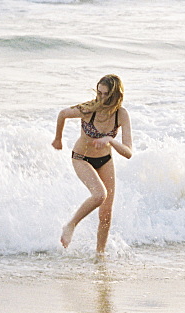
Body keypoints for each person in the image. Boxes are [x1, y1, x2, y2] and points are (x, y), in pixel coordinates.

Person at [52, 74, 133, 253]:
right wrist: (58, 139)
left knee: (106, 214)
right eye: (99, 93)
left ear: (116, 96)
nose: (101, 98)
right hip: (81, 158)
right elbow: (63, 114)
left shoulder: (121, 115)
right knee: (99, 195)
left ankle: (100, 255)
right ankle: (71, 225)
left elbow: (128, 152)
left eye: (106, 95)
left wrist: (110, 140)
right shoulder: (89, 108)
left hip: (105, 160)